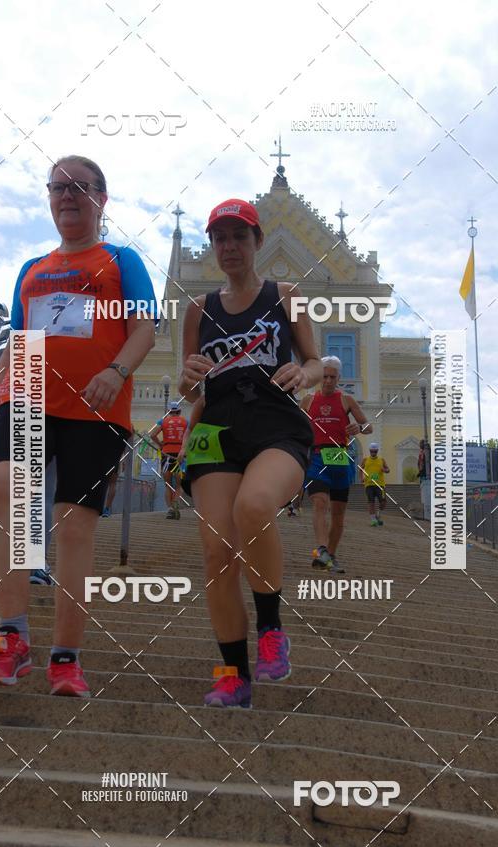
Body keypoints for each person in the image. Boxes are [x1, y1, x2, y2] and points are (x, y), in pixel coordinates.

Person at [0, 155, 157, 697]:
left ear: (102, 198)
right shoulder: (31, 268)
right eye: (57, 187)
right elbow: (13, 345)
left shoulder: (122, 259)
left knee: (72, 526)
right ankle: (11, 637)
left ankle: (65, 657)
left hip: (96, 408)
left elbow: (144, 328)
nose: (66, 196)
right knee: (5, 489)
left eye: (79, 187)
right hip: (26, 392)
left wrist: (116, 370)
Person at [179, 198, 321, 709]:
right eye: (220, 238)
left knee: (255, 506)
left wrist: (303, 375)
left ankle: (271, 626)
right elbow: (192, 389)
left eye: (240, 236)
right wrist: (188, 380)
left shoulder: (286, 296)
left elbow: (315, 359)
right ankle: (233, 674)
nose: (229, 247)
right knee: (218, 554)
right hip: (216, 429)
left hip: (275, 423)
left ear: (258, 242)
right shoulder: (198, 310)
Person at [301, 356, 372, 572]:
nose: (328, 381)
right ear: (319, 377)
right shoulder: (308, 401)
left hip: (340, 458)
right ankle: (321, 549)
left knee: (338, 514)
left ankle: (330, 555)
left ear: (338, 378)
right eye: (325, 376)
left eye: (332, 377)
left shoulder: (346, 400)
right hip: (317, 457)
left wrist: (359, 428)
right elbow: (295, 426)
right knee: (320, 503)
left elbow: (368, 426)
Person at [150, 400, 188, 519]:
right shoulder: (186, 422)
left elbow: (152, 434)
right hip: (180, 455)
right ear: (179, 411)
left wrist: (161, 444)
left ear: (169, 411)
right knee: (178, 485)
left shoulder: (163, 421)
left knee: (168, 485)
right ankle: (175, 506)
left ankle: (170, 509)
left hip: (166, 453)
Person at [362, 442, 390, 525]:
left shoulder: (382, 460)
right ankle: (373, 520)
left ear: (377, 451)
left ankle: (378, 514)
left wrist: (385, 470)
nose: (373, 453)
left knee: (383, 502)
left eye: (375, 451)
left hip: (380, 485)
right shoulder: (365, 460)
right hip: (369, 484)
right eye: (372, 451)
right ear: (370, 451)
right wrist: (361, 478)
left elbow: (388, 469)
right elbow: (360, 468)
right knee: (371, 502)